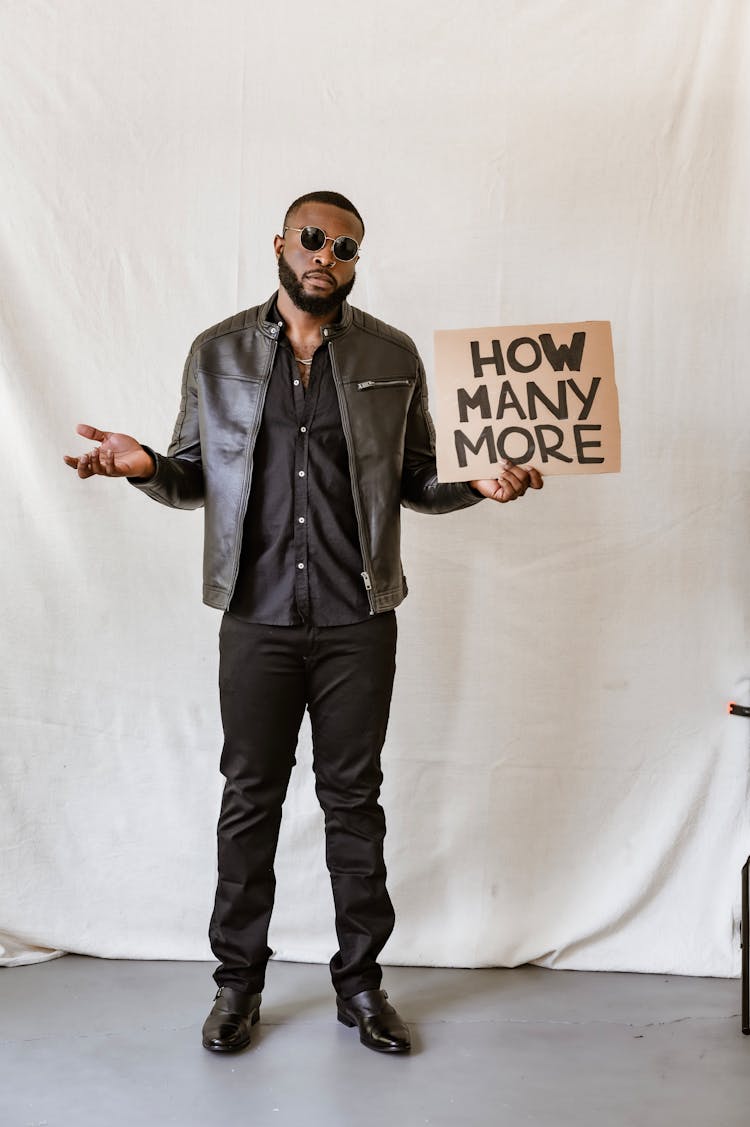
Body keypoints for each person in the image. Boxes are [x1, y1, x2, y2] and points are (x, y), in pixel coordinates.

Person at [64, 190, 543, 1055]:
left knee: (353, 803)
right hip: (256, 618)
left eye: (345, 247)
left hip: (359, 616)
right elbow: (188, 475)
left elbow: (421, 479)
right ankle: (236, 988)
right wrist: (141, 467)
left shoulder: (392, 355)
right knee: (250, 801)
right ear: (281, 244)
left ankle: (360, 986)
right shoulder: (216, 353)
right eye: (314, 239)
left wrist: (481, 485)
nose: (327, 255)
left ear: (357, 260)